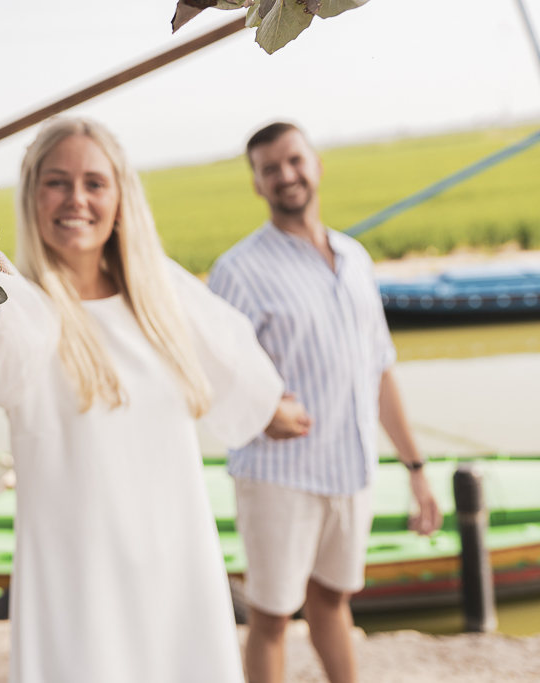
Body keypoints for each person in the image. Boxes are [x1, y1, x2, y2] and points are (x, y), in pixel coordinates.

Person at [0, 117, 309, 683]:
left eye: (94, 183)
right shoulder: (25, 306)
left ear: (121, 196)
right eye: (57, 182)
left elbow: (234, 361)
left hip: (178, 565)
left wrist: (274, 408)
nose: (76, 198)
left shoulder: (161, 292)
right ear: (32, 195)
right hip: (83, 587)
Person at [207, 122, 444, 683]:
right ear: (257, 184)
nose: (286, 175)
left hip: (351, 470)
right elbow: (212, 376)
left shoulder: (354, 257)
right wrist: (264, 413)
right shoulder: (238, 271)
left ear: (316, 164)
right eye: (270, 168)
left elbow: (379, 368)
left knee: (333, 600)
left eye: (294, 160)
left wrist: (415, 468)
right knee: (271, 617)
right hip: (278, 476)